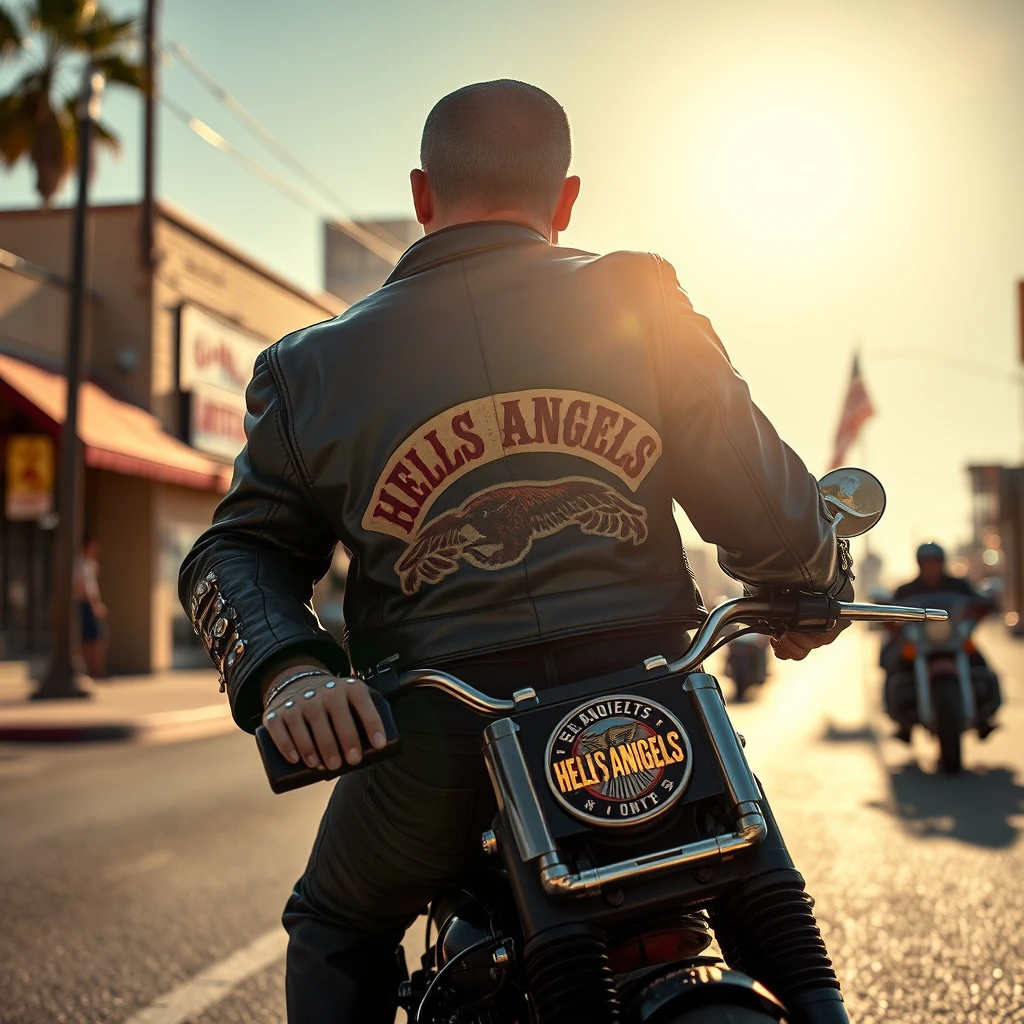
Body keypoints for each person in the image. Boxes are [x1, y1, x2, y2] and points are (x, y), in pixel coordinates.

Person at [179, 80, 854, 1023]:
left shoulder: (309, 365)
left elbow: (237, 552)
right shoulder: (639, 293)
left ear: (423, 195)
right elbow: (771, 520)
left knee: (337, 923)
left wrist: (292, 674)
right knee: (759, 893)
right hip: (655, 697)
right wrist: (812, 576)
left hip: (441, 736)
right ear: (565, 199)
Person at [881, 541, 999, 740]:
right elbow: (892, 609)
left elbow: (978, 600)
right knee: (894, 666)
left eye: (935, 561)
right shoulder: (906, 590)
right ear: (919, 564)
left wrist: (986, 601)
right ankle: (903, 722)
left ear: (942, 562)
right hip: (920, 642)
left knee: (981, 665)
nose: (931, 566)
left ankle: (984, 718)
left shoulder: (959, 585)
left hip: (953, 639)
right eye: (926, 562)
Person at [74, 536, 107, 678]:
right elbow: (82, 586)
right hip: (86, 604)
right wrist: (94, 605)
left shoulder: (90, 564)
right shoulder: (80, 564)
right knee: (89, 638)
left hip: (91, 603)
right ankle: (90, 669)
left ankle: (96, 669)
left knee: (97, 637)